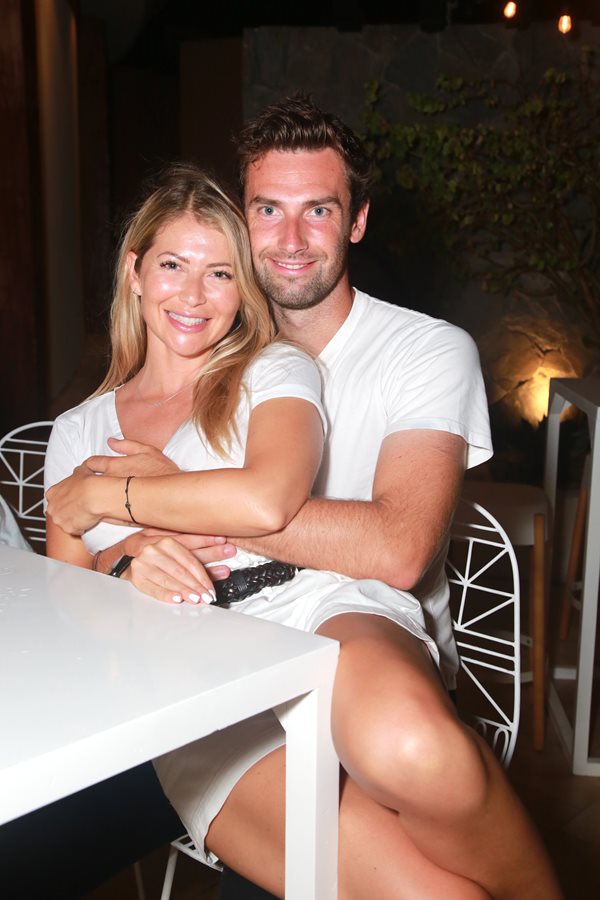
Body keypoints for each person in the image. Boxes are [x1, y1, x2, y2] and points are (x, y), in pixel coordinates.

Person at [45, 100, 563, 900]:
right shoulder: (219, 366)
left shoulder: (415, 351)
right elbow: (75, 588)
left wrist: (154, 496)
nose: (289, 239)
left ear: (356, 220)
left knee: (408, 746)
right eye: (267, 210)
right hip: (200, 666)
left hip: (355, 628)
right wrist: (128, 553)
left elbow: (394, 550)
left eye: (317, 209)